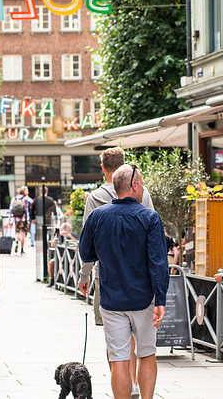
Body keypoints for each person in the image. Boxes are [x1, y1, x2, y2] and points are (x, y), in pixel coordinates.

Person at [79, 165, 169, 399]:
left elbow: (86, 253)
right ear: (134, 185)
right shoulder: (150, 217)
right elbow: (158, 261)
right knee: (147, 353)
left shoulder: (97, 216)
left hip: (111, 298)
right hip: (144, 298)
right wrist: (161, 298)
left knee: (119, 358)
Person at [47, 222, 79, 287]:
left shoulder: (73, 235)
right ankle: (52, 280)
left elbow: (77, 245)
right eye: (63, 229)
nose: (65, 230)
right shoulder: (59, 236)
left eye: (66, 229)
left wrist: (70, 236)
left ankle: (71, 283)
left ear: (70, 229)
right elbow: (52, 245)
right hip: (60, 257)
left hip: (71, 257)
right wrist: (58, 235)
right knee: (51, 263)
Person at [8, 186, 32, 255]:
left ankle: (16, 242)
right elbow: (33, 203)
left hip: (16, 219)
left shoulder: (14, 198)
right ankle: (22, 249)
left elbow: (10, 210)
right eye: (26, 190)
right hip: (24, 219)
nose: (28, 191)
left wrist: (10, 219)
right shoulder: (25, 199)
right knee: (23, 233)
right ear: (23, 191)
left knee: (17, 232)